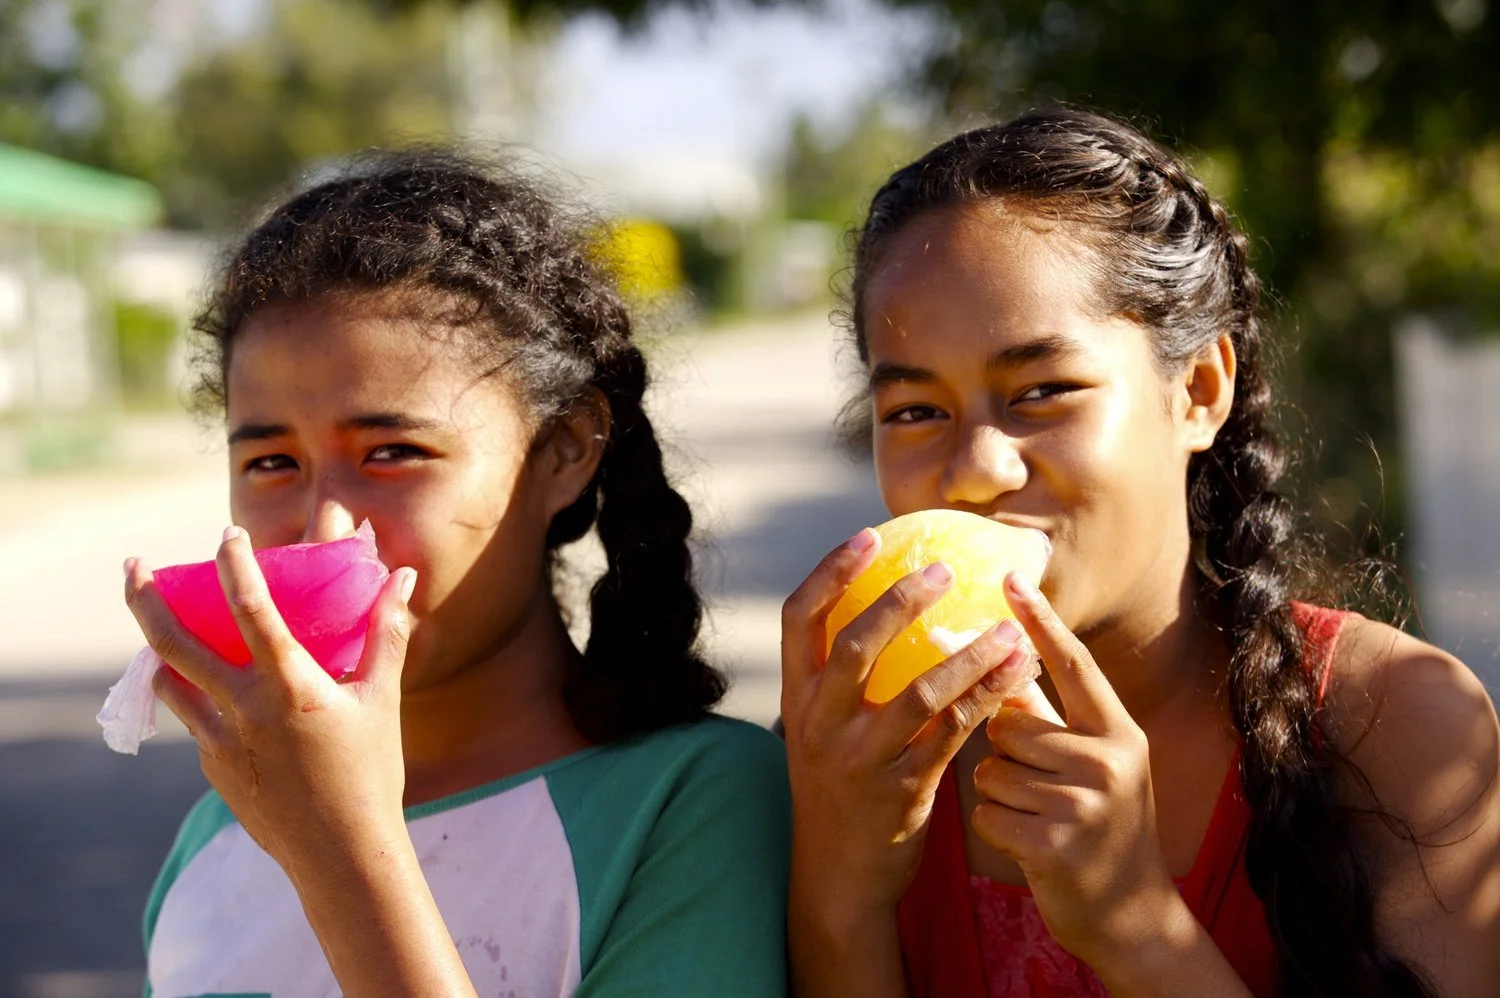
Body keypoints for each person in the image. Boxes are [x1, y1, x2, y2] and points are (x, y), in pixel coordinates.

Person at [780, 106, 1500, 997]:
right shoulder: (845, 749)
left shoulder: (1401, 724)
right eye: (916, 411)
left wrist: (1134, 929)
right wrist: (842, 886)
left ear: (1198, 389)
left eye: (1043, 390)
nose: (975, 470)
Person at [125, 150, 791, 997]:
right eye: (271, 463)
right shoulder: (223, 826)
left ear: (564, 450)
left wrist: (340, 850)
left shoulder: (694, 801)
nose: (325, 529)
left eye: (394, 453)